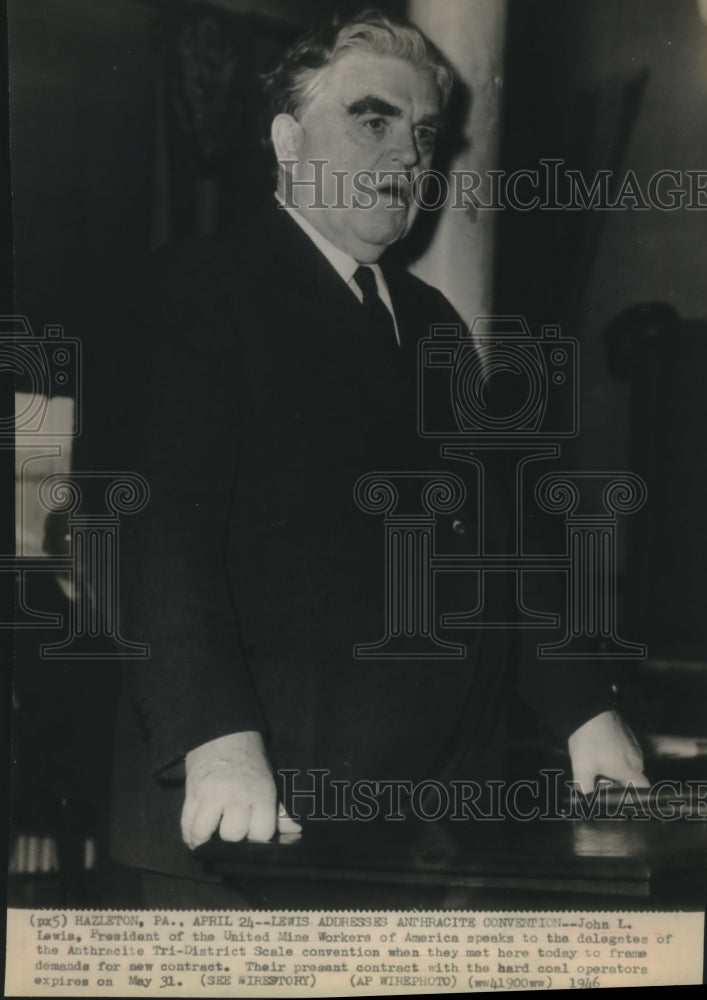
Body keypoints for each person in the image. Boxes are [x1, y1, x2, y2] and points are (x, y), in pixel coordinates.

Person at [98, 8, 647, 904]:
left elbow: (491, 548)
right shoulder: (197, 293)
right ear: (287, 138)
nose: (407, 155)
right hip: (248, 824)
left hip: (414, 830)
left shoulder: (430, 323)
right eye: (372, 118)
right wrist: (219, 742)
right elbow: (151, 537)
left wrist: (584, 706)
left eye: (423, 133)